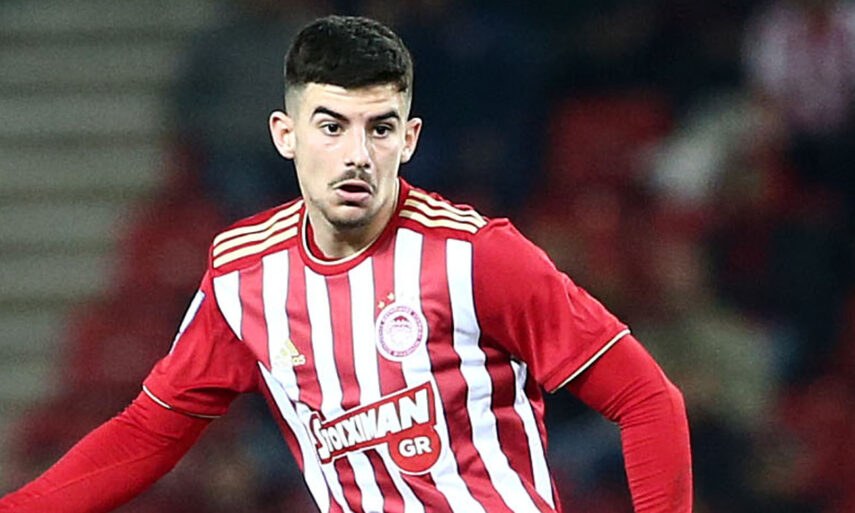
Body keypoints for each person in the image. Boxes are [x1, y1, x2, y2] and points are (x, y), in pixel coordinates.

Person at [0, 15, 692, 513]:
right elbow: (149, 431)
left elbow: (647, 399)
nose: (357, 154)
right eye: (331, 126)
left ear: (409, 139)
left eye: (380, 127)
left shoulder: (476, 255)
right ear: (286, 134)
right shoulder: (243, 276)